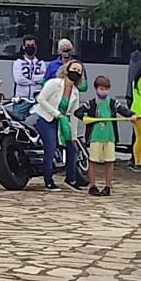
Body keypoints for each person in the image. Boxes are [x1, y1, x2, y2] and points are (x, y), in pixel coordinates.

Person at [75, 74, 135, 196]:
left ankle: (108, 186)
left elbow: (123, 110)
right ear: (96, 89)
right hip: (95, 137)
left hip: (109, 137)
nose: (104, 91)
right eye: (101, 89)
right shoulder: (90, 104)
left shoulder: (112, 103)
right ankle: (92, 186)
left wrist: (132, 115)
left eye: (106, 89)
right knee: (93, 161)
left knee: (109, 161)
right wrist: (85, 118)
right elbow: (78, 112)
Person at [34, 60, 85, 191]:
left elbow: (74, 115)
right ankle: (48, 181)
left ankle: (70, 179)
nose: (76, 72)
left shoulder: (75, 92)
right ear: (67, 70)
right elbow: (41, 99)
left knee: (72, 149)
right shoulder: (54, 83)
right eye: (74, 69)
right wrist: (56, 113)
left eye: (79, 71)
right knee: (50, 148)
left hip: (62, 122)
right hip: (46, 119)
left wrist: (73, 136)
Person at [12, 36, 46, 101]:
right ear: (23, 47)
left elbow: (43, 78)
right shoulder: (18, 62)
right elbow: (19, 80)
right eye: (28, 45)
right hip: (21, 98)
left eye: (32, 45)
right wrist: (35, 81)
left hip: (37, 97)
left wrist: (29, 77)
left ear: (36, 47)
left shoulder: (41, 62)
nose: (30, 47)